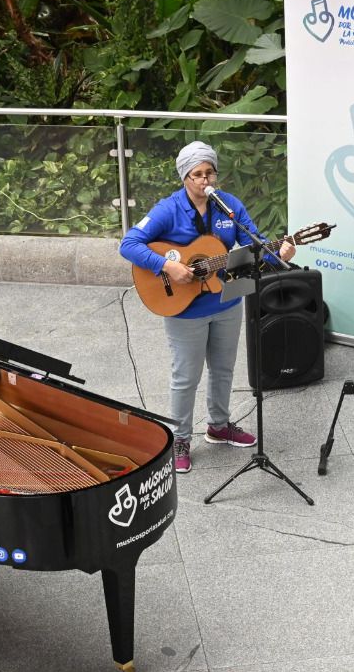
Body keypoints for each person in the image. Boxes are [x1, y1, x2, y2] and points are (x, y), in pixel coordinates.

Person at [119, 141, 295, 474]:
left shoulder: (229, 206)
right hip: (185, 310)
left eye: (209, 172)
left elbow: (254, 243)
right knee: (186, 377)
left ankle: (219, 425)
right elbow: (128, 244)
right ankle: (181, 438)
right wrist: (167, 267)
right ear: (185, 177)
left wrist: (279, 253)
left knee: (224, 368)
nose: (204, 180)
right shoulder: (167, 209)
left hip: (226, 298)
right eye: (197, 174)